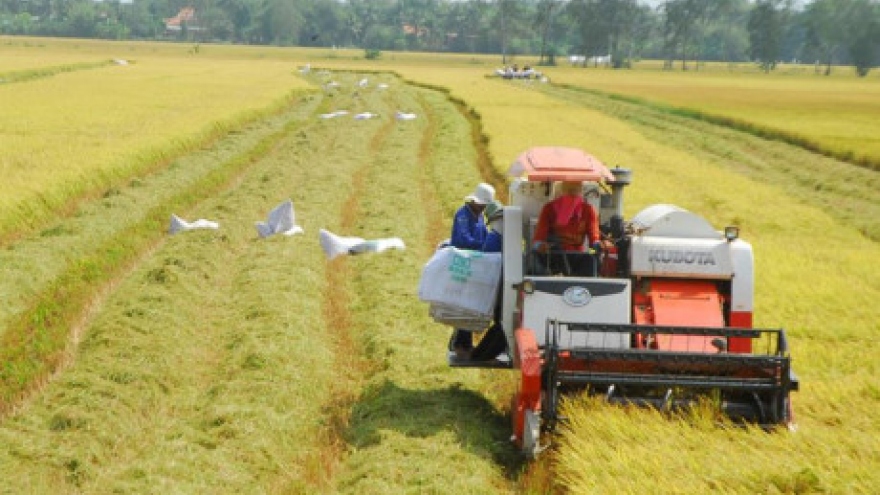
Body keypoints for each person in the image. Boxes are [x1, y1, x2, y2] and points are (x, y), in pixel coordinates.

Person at [449, 182, 495, 359]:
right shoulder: (463, 215)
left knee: (471, 304)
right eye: (482, 204)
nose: (483, 207)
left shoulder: (480, 216)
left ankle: (463, 342)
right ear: (475, 201)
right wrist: (484, 246)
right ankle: (461, 344)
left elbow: (483, 235)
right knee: (465, 303)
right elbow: (463, 239)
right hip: (463, 262)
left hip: (476, 262)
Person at [532, 180, 602, 276]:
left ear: (581, 190)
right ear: (563, 189)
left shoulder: (588, 210)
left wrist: (595, 248)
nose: (573, 192)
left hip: (578, 255)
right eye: (570, 189)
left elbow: (594, 236)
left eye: (576, 188)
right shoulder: (549, 209)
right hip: (554, 255)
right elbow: (538, 239)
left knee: (591, 259)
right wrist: (541, 246)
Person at [470, 200, 509, 362]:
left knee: (500, 324)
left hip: (499, 285)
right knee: (501, 324)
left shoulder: (496, 237)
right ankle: (482, 355)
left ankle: (479, 354)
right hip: (498, 286)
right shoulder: (495, 238)